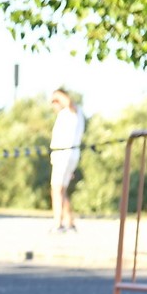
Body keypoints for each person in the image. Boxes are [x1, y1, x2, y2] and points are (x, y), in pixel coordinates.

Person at [49, 88, 86, 233]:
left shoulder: (72, 111)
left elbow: (69, 103)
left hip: (64, 154)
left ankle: (58, 223)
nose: (52, 104)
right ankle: (69, 221)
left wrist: (57, 94)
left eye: (54, 101)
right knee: (62, 190)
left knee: (56, 189)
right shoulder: (66, 115)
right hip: (67, 155)